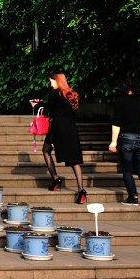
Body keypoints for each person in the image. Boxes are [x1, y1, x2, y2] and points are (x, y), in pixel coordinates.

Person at [109, 79, 140, 206]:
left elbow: (116, 123)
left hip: (127, 137)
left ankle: (133, 197)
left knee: (126, 169)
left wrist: (113, 142)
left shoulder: (120, 101)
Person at [44, 70, 86, 203]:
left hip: (57, 127)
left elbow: (47, 111)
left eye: (51, 81)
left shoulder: (54, 94)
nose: (50, 84)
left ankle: (56, 179)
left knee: (46, 150)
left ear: (57, 80)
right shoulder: (71, 94)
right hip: (71, 128)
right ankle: (81, 190)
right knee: (74, 160)